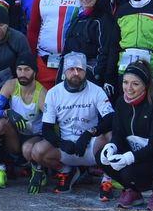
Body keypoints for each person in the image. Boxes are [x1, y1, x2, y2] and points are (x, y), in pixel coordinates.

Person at [24, 52, 113, 194]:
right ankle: (67, 172)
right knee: (37, 151)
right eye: (71, 69)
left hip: (91, 145)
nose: (76, 73)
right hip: (66, 147)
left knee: (112, 135)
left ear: (85, 71)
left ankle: (107, 179)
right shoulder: (54, 93)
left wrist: (89, 134)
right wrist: (61, 143)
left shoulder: (96, 91)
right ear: (65, 72)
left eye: (80, 69)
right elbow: (47, 129)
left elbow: (111, 119)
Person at [99, 60, 153, 211]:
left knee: (130, 169)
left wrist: (129, 158)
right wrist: (112, 147)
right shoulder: (120, 103)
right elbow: (118, 133)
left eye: (135, 84)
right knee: (102, 157)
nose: (128, 88)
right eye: (125, 82)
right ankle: (133, 191)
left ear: (145, 85)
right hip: (135, 154)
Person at [0, 55, 46, 189]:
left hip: (33, 137)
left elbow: (51, 124)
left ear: (35, 71)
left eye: (27, 69)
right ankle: (0, 171)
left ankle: (38, 171)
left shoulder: (41, 93)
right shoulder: (11, 85)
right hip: (15, 136)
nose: (23, 74)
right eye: (19, 69)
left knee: (27, 148)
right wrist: (7, 112)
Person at [26, 0, 80, 88]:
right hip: (45, 60)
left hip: (74, 62)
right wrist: (30, 59)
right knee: (46, 105)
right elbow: (33, 29)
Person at [60, 0, 120, 94]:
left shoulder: (102, 20)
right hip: (71, 74)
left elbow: (105, 51)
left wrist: (97, 74)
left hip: (91, 75)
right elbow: (67, 48)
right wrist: (62, 73)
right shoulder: (77, 19)